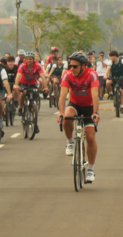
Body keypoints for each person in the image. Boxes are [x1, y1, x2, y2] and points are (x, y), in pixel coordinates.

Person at [57, 52, 100, 183]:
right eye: (71, 66)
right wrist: (61, 112)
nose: (72, 69)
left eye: (75, 66)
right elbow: (63, 95)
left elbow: (95, 95)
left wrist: (95, 112)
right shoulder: (67, 75)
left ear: (83, 66)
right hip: (74, 104)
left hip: (88, 107)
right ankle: (70, 142)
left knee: (91, 138)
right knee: (67, 116)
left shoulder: (92, 74)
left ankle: (91, 170)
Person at [14, 51, 49, 133]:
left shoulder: (38, 66)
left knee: (35, 103)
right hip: (24, 83)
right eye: (27, 59)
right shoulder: (22, 66)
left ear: (34, 60)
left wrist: (46, 87)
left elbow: (43, 77)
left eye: (31, 59)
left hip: (33, 84)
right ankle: (20, 108)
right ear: (25, 60)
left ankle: (35, 123)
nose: (29, 61)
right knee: (23, 92)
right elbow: (18, 75)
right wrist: (16, 85)